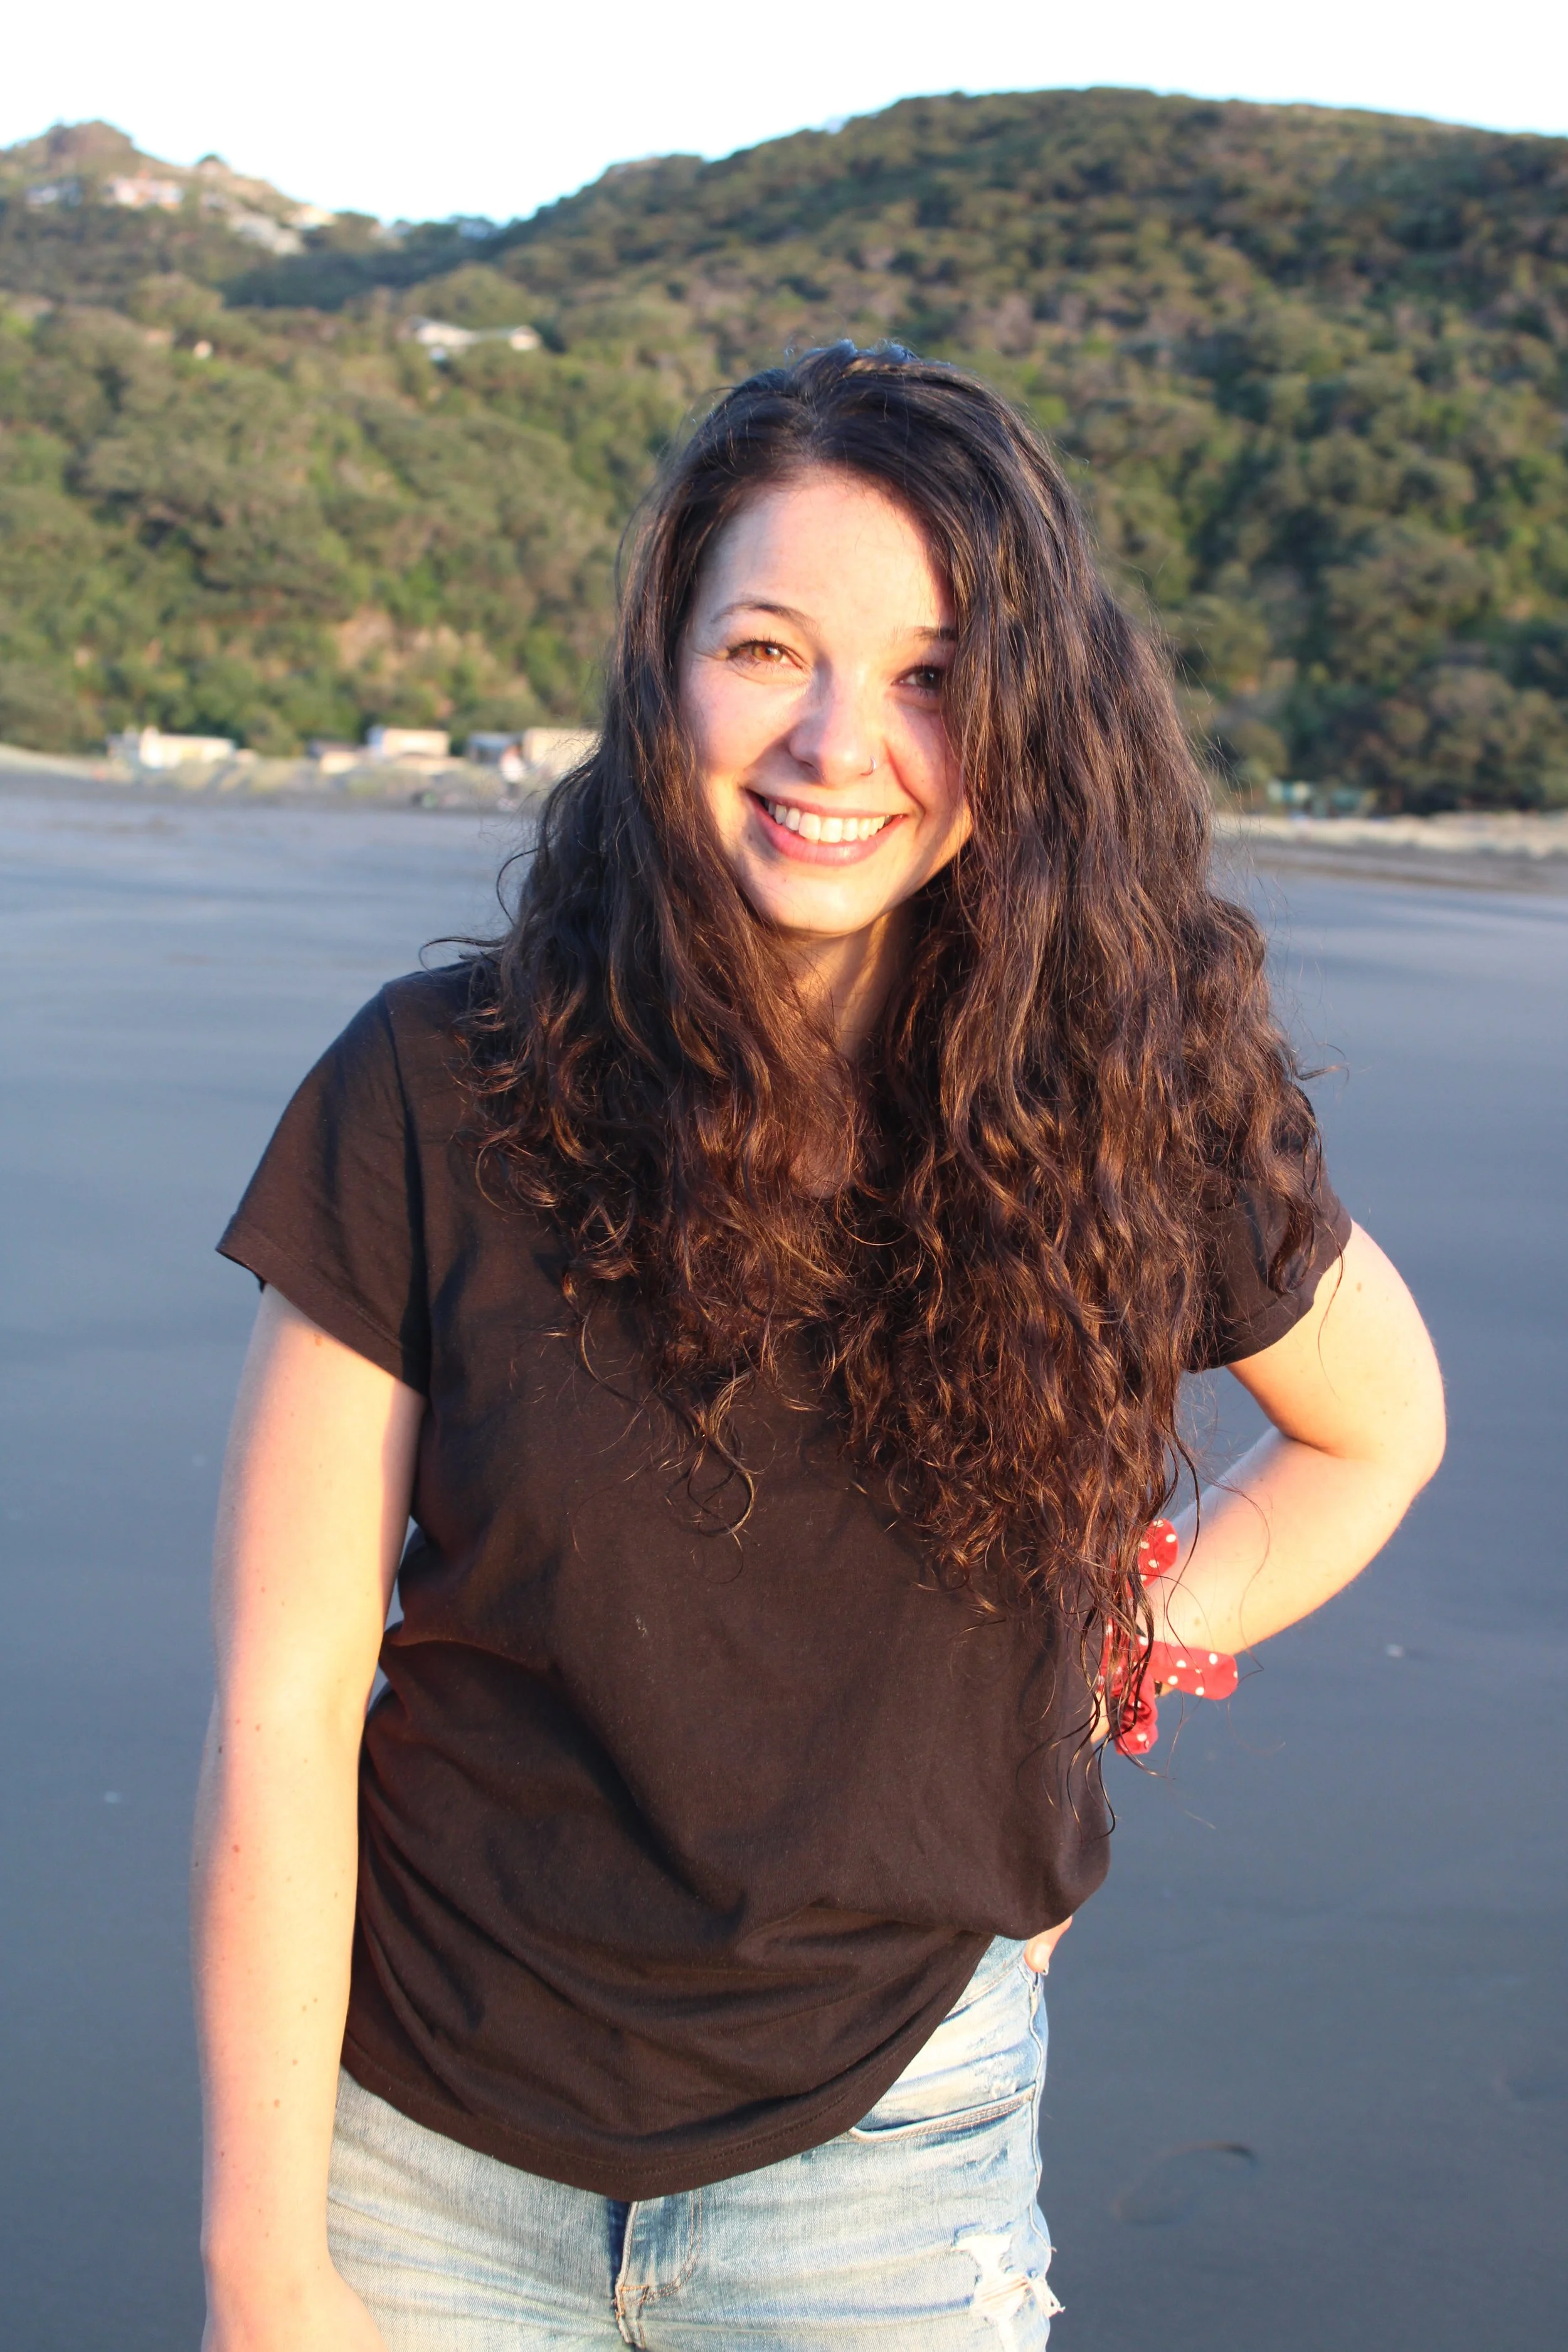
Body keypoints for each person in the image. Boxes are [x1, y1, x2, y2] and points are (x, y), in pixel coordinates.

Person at [193, 344, 1445, 2349]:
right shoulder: (435, 1091)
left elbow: (1375, 1431)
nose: (838, 741)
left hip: (883, 2156)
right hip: (419, 2153)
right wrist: (266, 2264)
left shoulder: (1128, 1103)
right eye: (767, 648)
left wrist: (1107, 1650)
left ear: (1026, 716)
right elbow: (284, 1694)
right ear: (664, 665)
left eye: (933, 675)